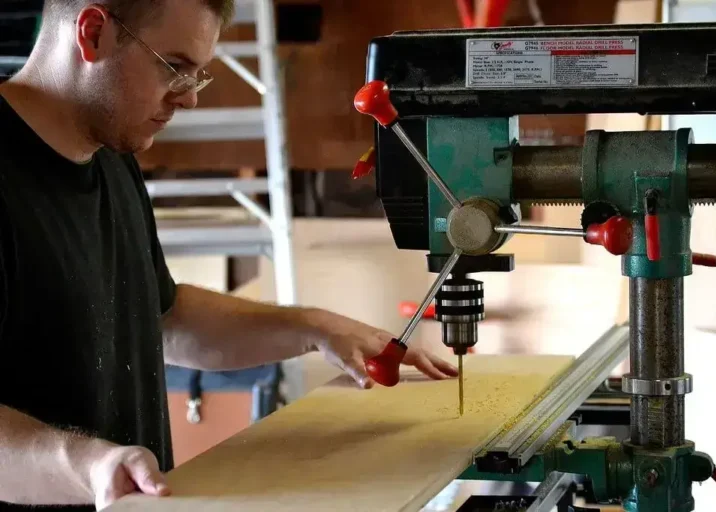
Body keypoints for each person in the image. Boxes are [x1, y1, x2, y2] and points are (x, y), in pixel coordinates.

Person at [0, 0, 458, 510]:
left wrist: (315, 328)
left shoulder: (110, 156)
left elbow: (162, 318)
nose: (188, 100)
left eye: (198, 76)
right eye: (174, 67)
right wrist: (88, 468)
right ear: (92, 34)